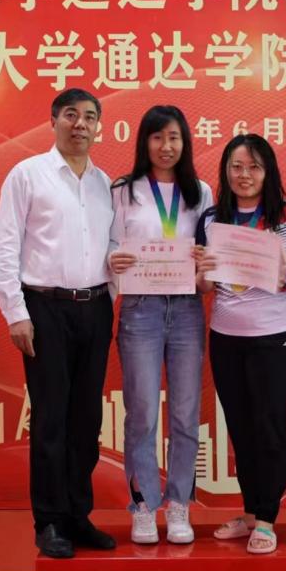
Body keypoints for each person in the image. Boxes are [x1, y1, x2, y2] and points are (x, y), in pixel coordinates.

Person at [0, 88, 117, 559]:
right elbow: (6, 246)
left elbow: (114, 249)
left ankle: (77, 516)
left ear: (98, 127)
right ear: (53, 121)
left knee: (86, 419)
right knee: (50, 419)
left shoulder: (106, 185)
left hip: (96, 307)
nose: (80, 124)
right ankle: (48, 521)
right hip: (44, 307)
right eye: (71, 115)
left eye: (89, 117)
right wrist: (16, 313)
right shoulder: (27, 175)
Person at [196, 133, 286, 555]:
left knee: (268, 427)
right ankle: (250, 513)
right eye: (236, 166)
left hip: (275, 335)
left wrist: (284, 276)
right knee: (241, 427)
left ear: (268, 172)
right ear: (225, 171)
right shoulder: (212, 219)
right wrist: (204, 273)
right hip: (226, 337)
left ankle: (266, 519)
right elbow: (204, 286)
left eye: (253, 167)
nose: (244, 175)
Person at [107, 106, 213, 545]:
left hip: (187, 309)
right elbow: (109, 246)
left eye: (174, 138)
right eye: (157, 137)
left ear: (185, 142)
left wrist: (205, 262)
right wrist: (112, 260)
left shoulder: (200, 192)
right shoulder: (123, 190)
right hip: (141, 308)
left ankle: (180, 504)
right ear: (144, 142)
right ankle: (145, 506)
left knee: (186, 414)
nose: (166, 147)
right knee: (143, 413)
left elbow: (209, 254)